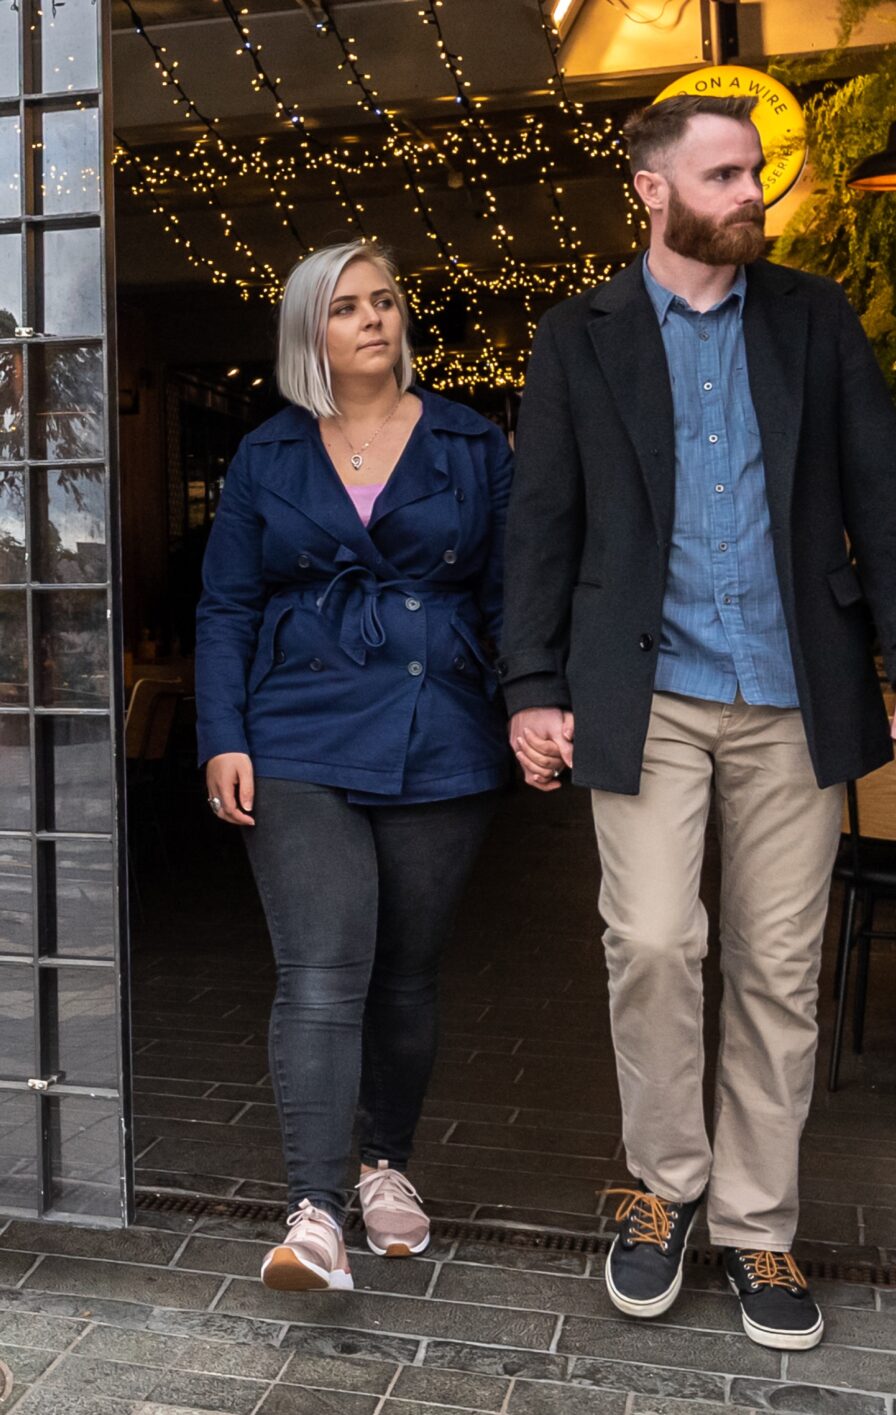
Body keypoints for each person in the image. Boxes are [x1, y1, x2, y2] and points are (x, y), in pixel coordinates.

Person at [499, 95, 896, 1351]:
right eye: (724, 173)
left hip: (794, 688)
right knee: (651, 940)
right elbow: (541, 519)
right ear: (652, 191)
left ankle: (756, 1218)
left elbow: (887, 486)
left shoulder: (812, 317)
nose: (753, 190)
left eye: (755, 170)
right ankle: (664, 1186)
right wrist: (530, 685)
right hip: (641, 695)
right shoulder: (576, 335)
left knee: (776, 967)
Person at [195, 240, 512, 1292]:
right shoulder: (267, 456)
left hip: (441, 728)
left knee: (407, 975)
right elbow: (229, 603)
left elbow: (515, 591)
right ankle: (315, 1210)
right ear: (309, 334)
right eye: (345, 308)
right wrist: (222, 733)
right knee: (324, 971)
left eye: (385, 301)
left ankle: (386, 1167)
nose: (373, 319)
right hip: (297, 732)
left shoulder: (472, 441)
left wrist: (532, 709)